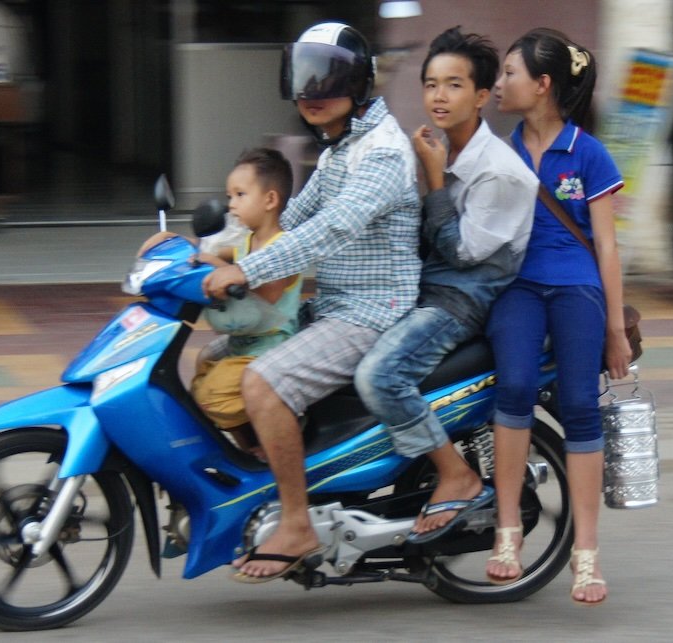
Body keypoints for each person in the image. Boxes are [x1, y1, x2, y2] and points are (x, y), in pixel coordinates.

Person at [203, 21, 422, 583]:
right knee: (210, 361)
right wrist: (196, 253)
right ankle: (271, 477)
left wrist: (245, 270)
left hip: (372, 312)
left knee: (262, 382)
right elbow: (287, 223)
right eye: (303, 82)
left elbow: (329, 230)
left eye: (325, 81)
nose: (310, 93)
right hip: (333, 308)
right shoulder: (339, 150)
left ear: (359, 85)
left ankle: (297, 522)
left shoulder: (382, 153)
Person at [353, 27, 537, 544]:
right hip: (423, 292)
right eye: (431, 84)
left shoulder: (498, 172)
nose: (438, 96)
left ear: (481, 96)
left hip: (457, 305)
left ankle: (455, 472)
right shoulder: (443, 151)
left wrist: (433, 180)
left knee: (379, 377)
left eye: (453, 85)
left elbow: (459, 254)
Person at [484, 28, 629, 605]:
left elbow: (608, 247)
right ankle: (507, 533)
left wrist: (615, 331)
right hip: (517, 288)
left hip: (578, 290)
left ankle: (586, 555)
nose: (499, 84)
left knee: (579, 408)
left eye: (510, 73)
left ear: (542, 85)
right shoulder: (500, 150)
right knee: (513, 389)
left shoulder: (589, 153)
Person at [190, 148, 302, 455]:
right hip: (243, 345)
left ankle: (276, 441)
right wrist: (176, 246)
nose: (231, 205)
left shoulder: (283, 247)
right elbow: (210, 256)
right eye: (230, 196)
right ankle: (250, 448)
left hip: (269, 347)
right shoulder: (246, 241)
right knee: (199, 381)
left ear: (270, 200)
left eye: (240, 195)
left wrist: (218, 266)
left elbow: (267, 290)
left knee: (211, 397)